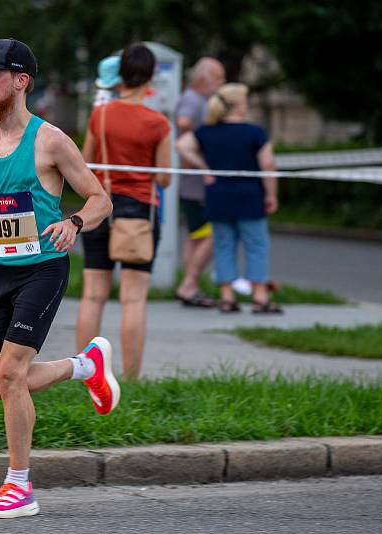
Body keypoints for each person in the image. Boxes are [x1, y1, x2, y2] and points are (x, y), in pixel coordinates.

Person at [0, 38, 117, 519]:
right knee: (1, 383)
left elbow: (100, 199)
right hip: (1, 274)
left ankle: (19, 487)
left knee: (14, 375)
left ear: (21, 82)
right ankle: (86, 367)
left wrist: (74, 222)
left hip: (43, 268)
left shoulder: (52, 141)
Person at [76, 43, 172, 380]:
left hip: (100, 209)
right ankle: (131, 378)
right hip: (140, 213)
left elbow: (84, 164)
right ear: (150, 76)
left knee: (93, 295)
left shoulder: (99, 116)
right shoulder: (158, 123)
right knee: (133, 300)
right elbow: (164, 178)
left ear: (120, 75)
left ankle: (85, 374)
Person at [176, 83, 282, 314]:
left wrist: (204, 167)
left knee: (224, 246)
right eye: (245, 100)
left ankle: (227, 296)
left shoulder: (208, 130)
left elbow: (182, 145)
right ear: (238, 105)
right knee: (256, 245)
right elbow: (268, 164)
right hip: (250, 197)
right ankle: (260, 296)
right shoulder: (255, 132)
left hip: (218, 196)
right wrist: (271, 194)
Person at [174, 57, 226, 307]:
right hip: (195, 184)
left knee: (197, 235)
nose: (222, 84)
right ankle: (189, 283)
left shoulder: (198, 100)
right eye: (219, 78)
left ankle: (190, 285)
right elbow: (183, 123)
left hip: (194, 183)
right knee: (211, 234)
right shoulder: (193, 100)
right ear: (204, 79)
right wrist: (205, 138)